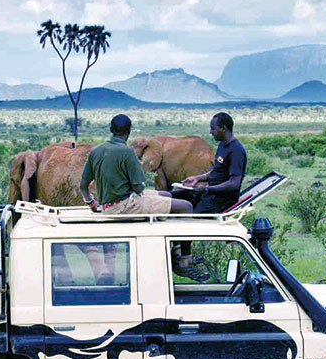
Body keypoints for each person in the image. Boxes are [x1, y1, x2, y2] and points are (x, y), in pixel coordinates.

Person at [79, 114, 204, 280]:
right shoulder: (127, 153)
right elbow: (138, 187)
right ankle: (184, 259)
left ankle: (176, 250)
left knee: (167, 194)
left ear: (111, 130)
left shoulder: (96, 151)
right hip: (126, 206)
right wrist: (139, 184)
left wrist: (91, 202)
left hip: (109, 205)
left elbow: (83, 185)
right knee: (186, 206)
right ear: (129, 132)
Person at [172, 112, 247, 271]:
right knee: (176, 196)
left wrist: (206, 188)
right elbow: (216, 172)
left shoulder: (236, 151)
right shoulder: (223, 145)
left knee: (189, 219)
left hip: (221, 200)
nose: (211, 132)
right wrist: (198, 178)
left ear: (223, 128)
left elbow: (234, 184)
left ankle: (185, 259)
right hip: (211, 193)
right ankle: (176, 246)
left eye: (213, 129)